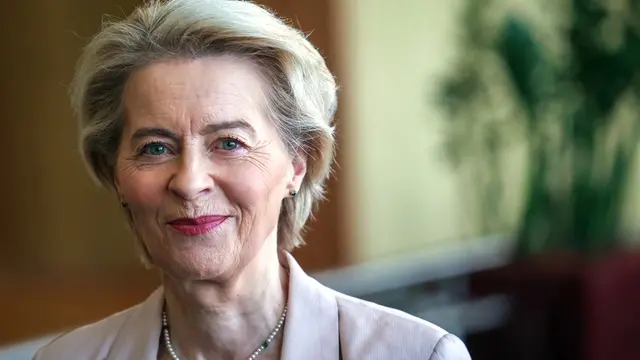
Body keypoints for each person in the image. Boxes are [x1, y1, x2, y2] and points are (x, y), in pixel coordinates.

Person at [33, 0, 472, 359]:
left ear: (298, 165)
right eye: (155, 148)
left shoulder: (416, 354)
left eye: (229, 143)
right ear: (116, 176)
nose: (189, 182)